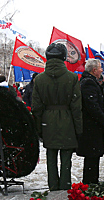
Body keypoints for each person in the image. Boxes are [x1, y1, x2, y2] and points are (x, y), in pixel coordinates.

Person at [31, 43, 82, 191]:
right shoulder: (72, 78)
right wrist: (79, 129)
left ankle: (53, 185)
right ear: (64, 57)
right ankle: (65, 185)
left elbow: (36, 107)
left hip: (48, 120)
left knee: (51, 156)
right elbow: (76, 106)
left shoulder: (39, 79)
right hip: (67, 120)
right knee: (66, 157)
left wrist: (39, 127)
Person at [77, 59, 104, 184]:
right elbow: (91, 105)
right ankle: (90, 182)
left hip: (91, 126)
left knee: (93, 156)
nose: (102, 70)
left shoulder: (89, 81)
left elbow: (94, 100)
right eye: (100, 68)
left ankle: (92, 180)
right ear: (94, 70)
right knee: (92, 156)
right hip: (91, 127)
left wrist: (103, 100)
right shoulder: (89, 83)